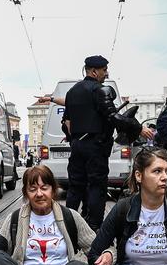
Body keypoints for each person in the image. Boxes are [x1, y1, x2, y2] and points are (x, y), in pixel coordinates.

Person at [47, 55, 116, 229]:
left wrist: (76, 138)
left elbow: (67, 122)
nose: (106, 74)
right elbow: (112, 117)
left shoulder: (72, 92)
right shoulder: (99, 90)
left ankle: (67, 224)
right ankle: (93, 227)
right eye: (104, 70)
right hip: (95, 146)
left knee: (75, 186)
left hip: (77, 145)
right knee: (96, 186)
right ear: (94, 71)